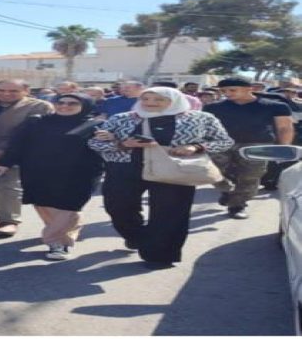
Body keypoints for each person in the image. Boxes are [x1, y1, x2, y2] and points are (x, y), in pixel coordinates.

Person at [89, 87, 234, 269]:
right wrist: (122, 144)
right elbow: (94, 143)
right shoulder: (122, 118)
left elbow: (224, 141)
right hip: (125, 168)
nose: (150, 103)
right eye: (146, 98)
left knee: (171, 213)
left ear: (174, 100)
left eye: (158, 99)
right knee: (118, 207)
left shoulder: (201, 118)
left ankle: (160, 256)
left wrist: (195, 147)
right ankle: (136, 237)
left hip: (174, 169)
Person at [0, 93, 103, 260]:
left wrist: (110, 140)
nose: (64, 106)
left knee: (68, 207)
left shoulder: (95, 125)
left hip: (80, 174)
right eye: (61, 102)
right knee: (45, 205)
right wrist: (5, 163)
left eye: (72, 103)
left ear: (85, 106)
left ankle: (57, 242)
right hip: (38, 171)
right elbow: (18, 144)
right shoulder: (36, 121)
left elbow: (107, 149)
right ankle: (62, 230)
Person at [0, 79, 53, 237]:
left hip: (14, 154)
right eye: (1, 90)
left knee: (8, 188)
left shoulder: (39, 106)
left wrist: (2, 149)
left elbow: (33, 132)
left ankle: (10, 221)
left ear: (26, 91)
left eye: (13, 91)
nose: (6, 94)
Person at [204, 77, 294, 219]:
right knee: (212, 171)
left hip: (257, 145)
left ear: (249, 89)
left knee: (251, 176)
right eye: (223, 91)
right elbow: (205, 128)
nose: (227, 93)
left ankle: (237, 205)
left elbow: (284, 127)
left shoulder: (275, 106)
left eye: (232, 90)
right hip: (222, 144)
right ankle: (227, 191)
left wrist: (283, 148)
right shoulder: (213, 107)